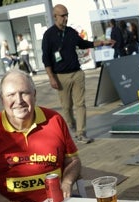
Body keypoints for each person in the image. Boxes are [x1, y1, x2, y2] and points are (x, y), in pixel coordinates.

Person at [0, 69, 82, 202]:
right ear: (2, 99)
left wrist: (67, 182)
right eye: (11, 95)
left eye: (24, 93)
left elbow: (73, 161)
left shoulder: (55, 120)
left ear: (35, 95)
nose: (19, 100)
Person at [41, 4, 113, 144]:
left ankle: (81, 133)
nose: (66, 18)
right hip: (61, 77)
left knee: (80, 104)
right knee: (67, 107)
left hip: (77, 74)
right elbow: (46, 58)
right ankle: (72, 126)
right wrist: (51, 77)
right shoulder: (49, 35)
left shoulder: (71, 32)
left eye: (67, 15)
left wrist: (102, 42)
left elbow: (83, 43)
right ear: (55, 16)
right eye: (63, 16)